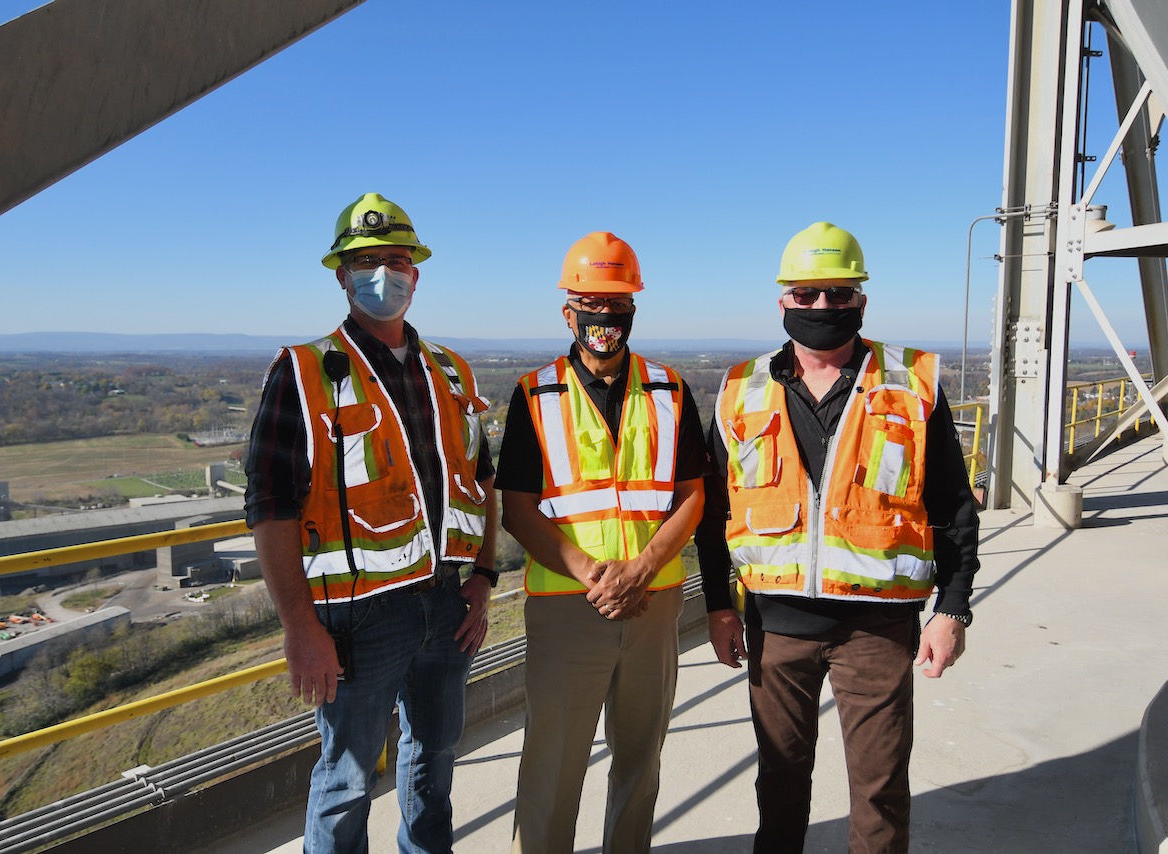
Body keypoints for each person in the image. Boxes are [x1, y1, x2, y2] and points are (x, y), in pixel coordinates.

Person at [695, 222, 980, 853]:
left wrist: (952, 608)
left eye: (838, 293)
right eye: (807, 294)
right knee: (780, 789)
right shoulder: (742, 389)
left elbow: (953, 506)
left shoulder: (909, 384)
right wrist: (719, 606)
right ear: (784, 303)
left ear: (861, 301)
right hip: (776, 628)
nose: (822, 306)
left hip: (877, 630)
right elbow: (715, 516)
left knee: (878, 794)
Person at [244, 192, 499, 854]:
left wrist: (485, 578)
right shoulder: (303, 374)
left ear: (416, 272)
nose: (383, 273)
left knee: (435, 763)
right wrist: (300, 628)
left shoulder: (449, 371)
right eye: (366, 262)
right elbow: (269, 510)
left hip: (446, 607)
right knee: (346, 783)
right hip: (356, 622)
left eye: (396, 260)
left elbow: (483, 480)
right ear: (340, 276)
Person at [496, 232, 707, 854]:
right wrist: (595, 572)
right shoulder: (535, 393)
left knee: (641, 762)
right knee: (552, 768)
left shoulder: (670, 390)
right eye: (592, 305)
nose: (604, 320)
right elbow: (516, 508)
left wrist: (640, 568)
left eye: (617, 306)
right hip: (569, 605)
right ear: (569, 312)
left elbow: (692, 496)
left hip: (655, 599)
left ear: (633, 311)